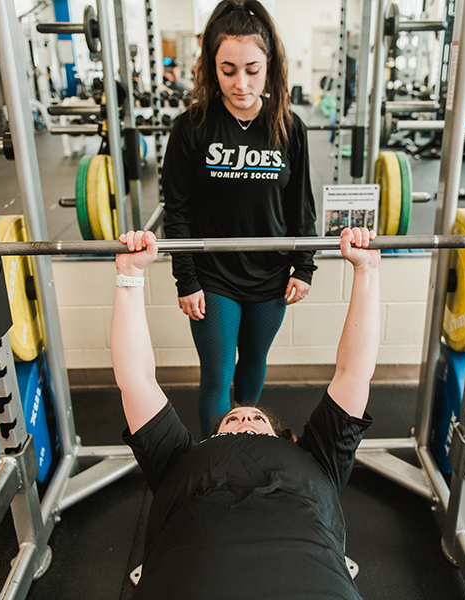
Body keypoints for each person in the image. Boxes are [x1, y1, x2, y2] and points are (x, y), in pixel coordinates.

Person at [111, 227, 380, 600]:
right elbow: (135, 380)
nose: (244, 419)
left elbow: (355, 371)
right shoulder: (182, 459)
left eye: (249, 418)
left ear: (283, 438)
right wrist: (130, 273)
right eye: (236, 418)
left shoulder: (316, 459)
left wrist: (367, 267)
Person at [162, 0, 317, 433]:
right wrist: (186, 279)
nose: (241, 83)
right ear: (212, 68)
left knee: (252, 365)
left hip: (271, 274)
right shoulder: (191, 128)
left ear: (270, 66)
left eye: (252, 69)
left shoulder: (288, 126)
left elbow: (300, 205)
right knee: (216, 377)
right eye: (228, 70)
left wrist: (304, 267)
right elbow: (178, 210)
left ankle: (249, 449)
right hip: (214, 278)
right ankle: (215, 464)